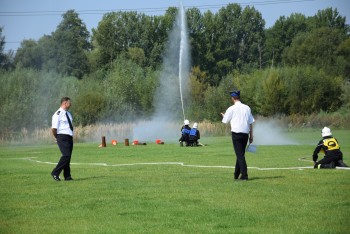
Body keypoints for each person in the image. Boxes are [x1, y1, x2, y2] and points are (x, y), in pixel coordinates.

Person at [221, 90, 255, 181]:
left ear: (233, 98)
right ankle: (236, 174)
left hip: (236, 134)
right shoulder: (247, 108)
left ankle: (244, 175)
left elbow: (225, 121)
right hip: (245, 134)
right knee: (240, 154)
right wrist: (251, 136)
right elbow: (251, 123)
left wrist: (224, 116)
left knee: (240, 155)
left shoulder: (231, 109)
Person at [51, 97, 74, 181]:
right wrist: (57, 137)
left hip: (69, 136)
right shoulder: (58, 114)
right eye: (69, 102)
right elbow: (54, 128)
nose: (70, 104)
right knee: (66, 155)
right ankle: (55, 173)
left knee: (68, 157)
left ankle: (67, 176)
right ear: (64, 103)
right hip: (62, 136)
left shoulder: (68, 113)